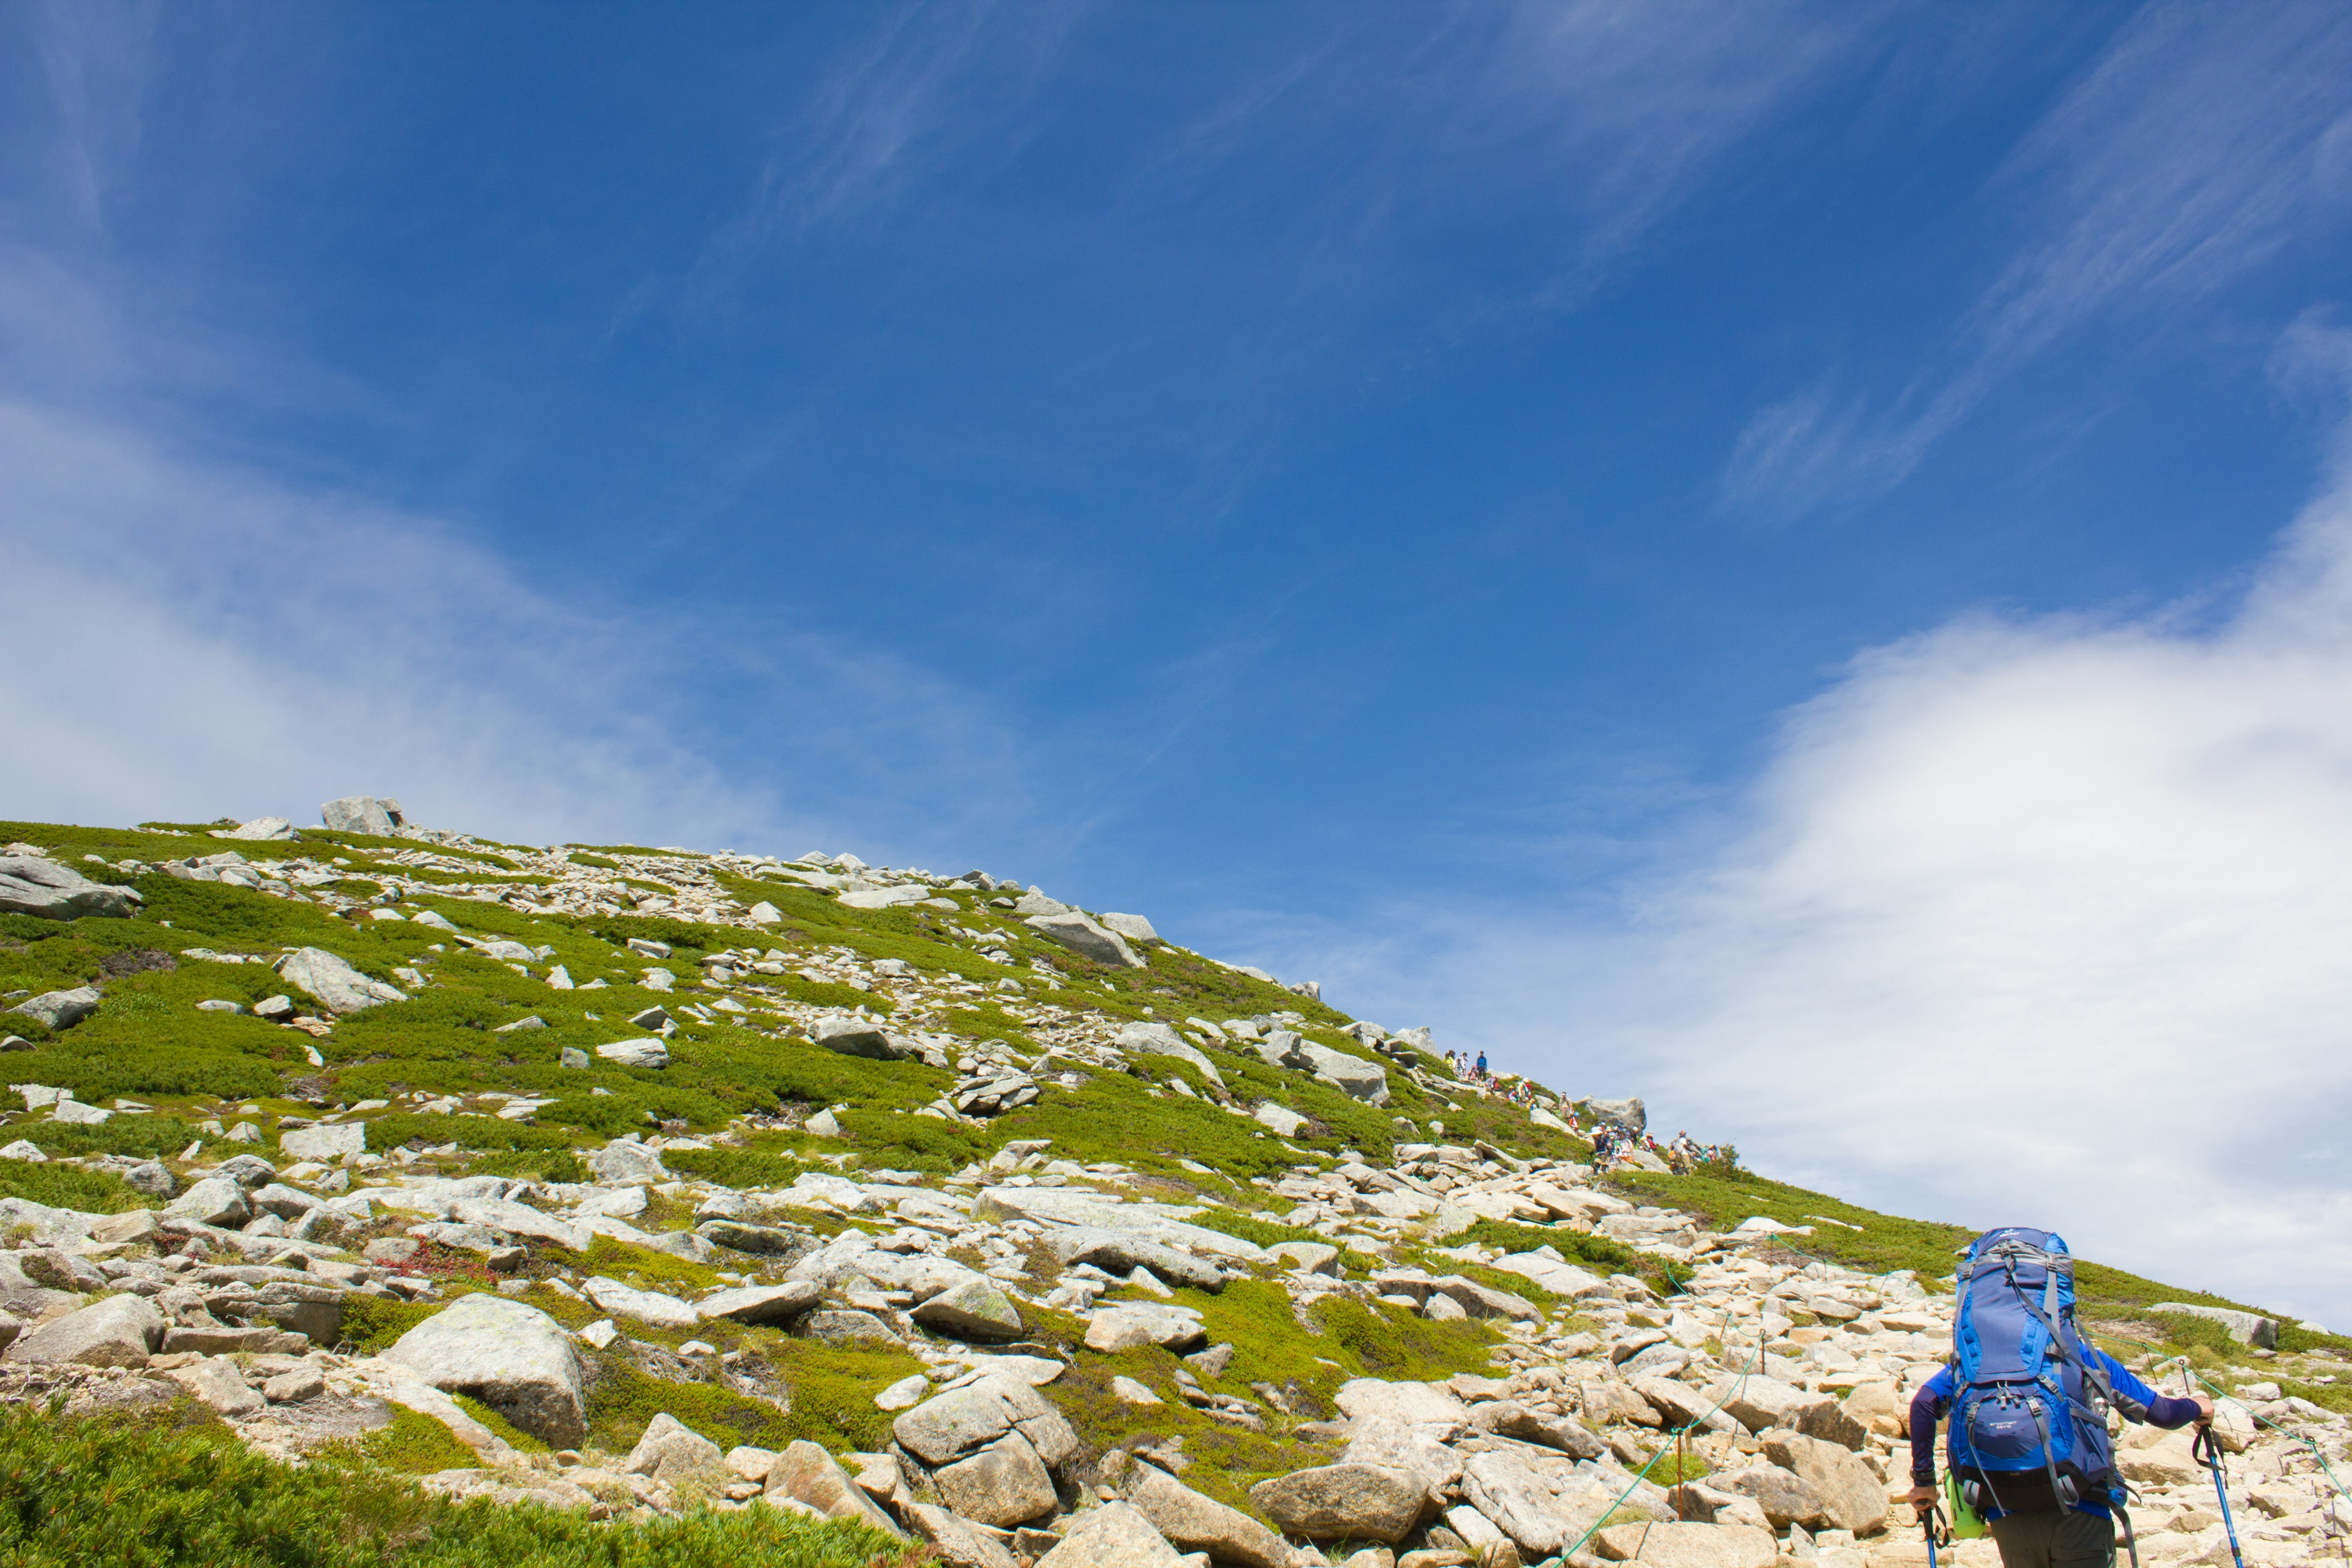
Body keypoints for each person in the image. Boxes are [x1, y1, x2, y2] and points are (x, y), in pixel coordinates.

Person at [1907, 1239, 2214, 1568]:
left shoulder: (1969, 1365)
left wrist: (1924, 1483)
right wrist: (2198, 1407)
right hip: (2081, 1511)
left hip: (2006, 1511)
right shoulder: (2082, 1357)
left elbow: (1924, 1403)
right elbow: (2163, 1414)